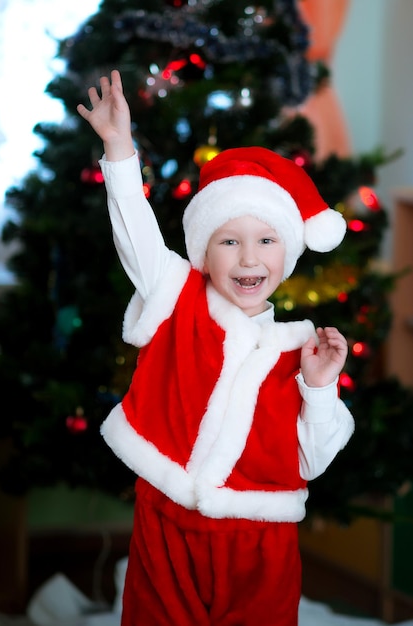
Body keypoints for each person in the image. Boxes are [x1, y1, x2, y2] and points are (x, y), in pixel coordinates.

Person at [77, 70, 354, 626]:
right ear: (206, 249)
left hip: (258, 544)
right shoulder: (176, 294)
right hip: (166, 524)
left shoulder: (301, 349)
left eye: (266, 241)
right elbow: (136, 233)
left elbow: (313, 460)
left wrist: (319, 389)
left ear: (288, 252)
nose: (249, 260)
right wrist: (118, 148)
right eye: (230, 241)